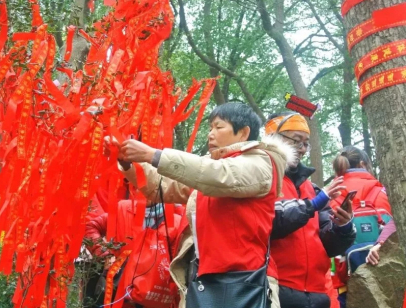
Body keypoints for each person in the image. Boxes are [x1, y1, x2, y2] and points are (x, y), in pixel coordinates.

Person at [106, 103, 296, 308]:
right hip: (205, 280)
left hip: (247, 281)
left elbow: (219, 175)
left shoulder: (261, 162)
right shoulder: (207, 169)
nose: (210, 134)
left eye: (218, 127)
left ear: (243, 133)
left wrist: (153, 155)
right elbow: (162, 187)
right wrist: (128, 162)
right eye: (210, 128)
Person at [265, 112, 356, 308]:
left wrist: (342, 226)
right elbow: (270, 222)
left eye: (306, 143)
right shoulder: (262, 181)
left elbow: (329, 246)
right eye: (297, 141)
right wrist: (314, 204)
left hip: (317, 293)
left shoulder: (311, 188)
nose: (303, 149)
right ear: (272, 139)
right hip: (275, 289)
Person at [329, 146, 393, 307]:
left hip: (346, 284)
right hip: (388, 280)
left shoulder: (332, 196)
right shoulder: (386, 192)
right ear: (363, 165)